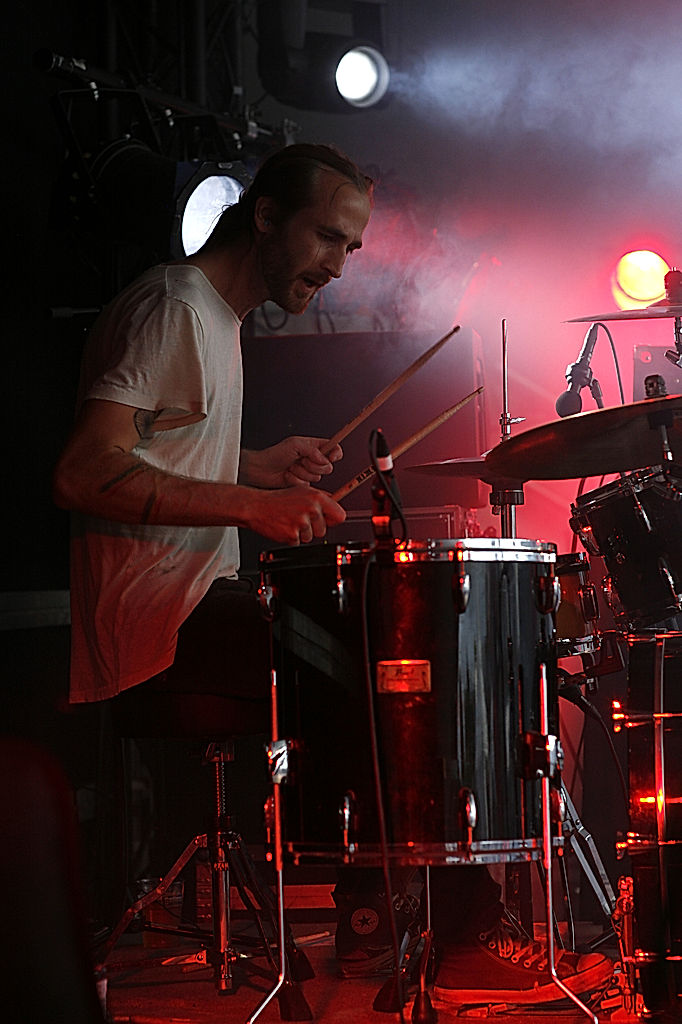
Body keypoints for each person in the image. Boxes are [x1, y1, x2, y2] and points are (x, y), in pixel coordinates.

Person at [53, 142, 611, 1007]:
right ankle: (418, 927)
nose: (337, 266)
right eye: (326, 238)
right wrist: (247, 508)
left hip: (194, 598)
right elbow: (84, 473)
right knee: (398, 664)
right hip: (160, 616)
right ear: (265, 215)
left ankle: (390, 921)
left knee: (398, 647)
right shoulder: (175, 309)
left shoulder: (215, 316)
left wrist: (252, 468)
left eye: (351, 248)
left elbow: (155, 447)